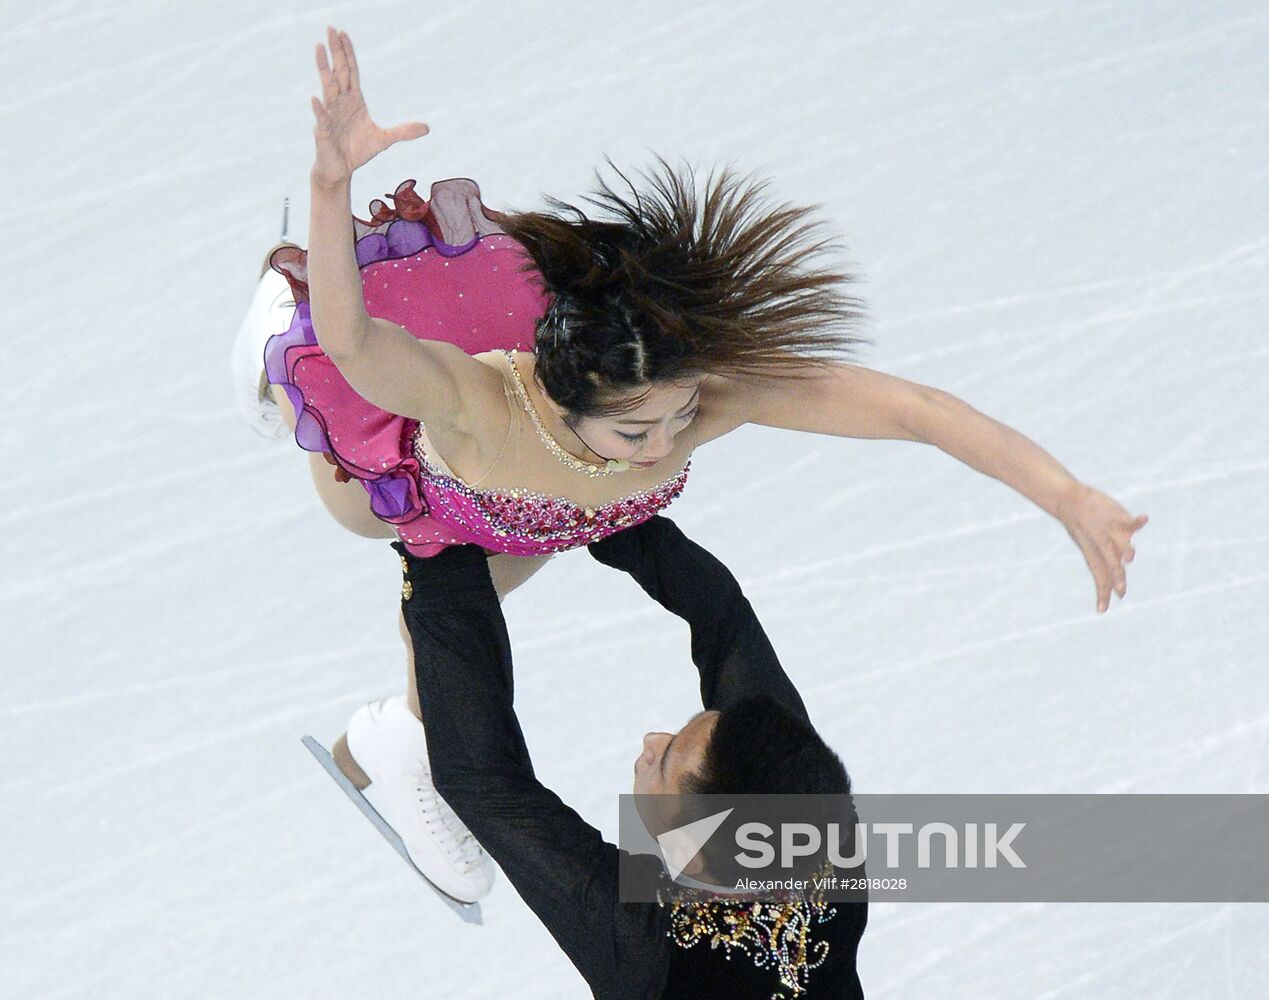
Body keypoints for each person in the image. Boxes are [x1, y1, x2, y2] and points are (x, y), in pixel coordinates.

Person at [233, 28, 1147, 900]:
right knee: (353, 451)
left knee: (472, 613)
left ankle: (398, 737)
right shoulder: (482, 406)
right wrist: (327, 182)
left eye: (678, 417)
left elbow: (914, 410)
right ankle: (275, 314)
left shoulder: (693, 402)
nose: (666, 447)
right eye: (635, 435)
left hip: (530, 521)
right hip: (418, 485)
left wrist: (1064, 495)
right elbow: (354, 339)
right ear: (562, 394)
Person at [344, 514, 867, 999]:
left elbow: (487, 783)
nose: (652, 741)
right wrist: (608, 508)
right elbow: (721, 616)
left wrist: (438, 551)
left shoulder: (650, 952)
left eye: (663, 764)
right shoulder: (813, 815)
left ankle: (399, 737)